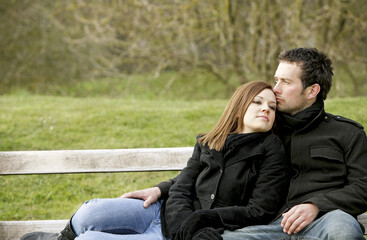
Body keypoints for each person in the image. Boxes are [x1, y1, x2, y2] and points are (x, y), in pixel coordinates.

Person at [119, 47, 367, 240]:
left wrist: (316, 205)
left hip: (325, 222)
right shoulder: (263, 124)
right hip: (265, 227)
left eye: (286, 82)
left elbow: (363, 186)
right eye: (276, 79)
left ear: (312, 91)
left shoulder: (346, 133)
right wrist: (162, 189)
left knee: (342, 228)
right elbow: (215, 163)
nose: (275, 88)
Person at [21, 81, 289, 240]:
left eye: (272, 107)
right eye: (257, 102)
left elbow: (260, 210)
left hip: (186, 234)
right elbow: (183, 186)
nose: (266, 108)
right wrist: (179, 214)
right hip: (162, 212)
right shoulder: (209, 140)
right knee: (89, 213)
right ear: (239, 105)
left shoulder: (271, 150)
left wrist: (199, 221)